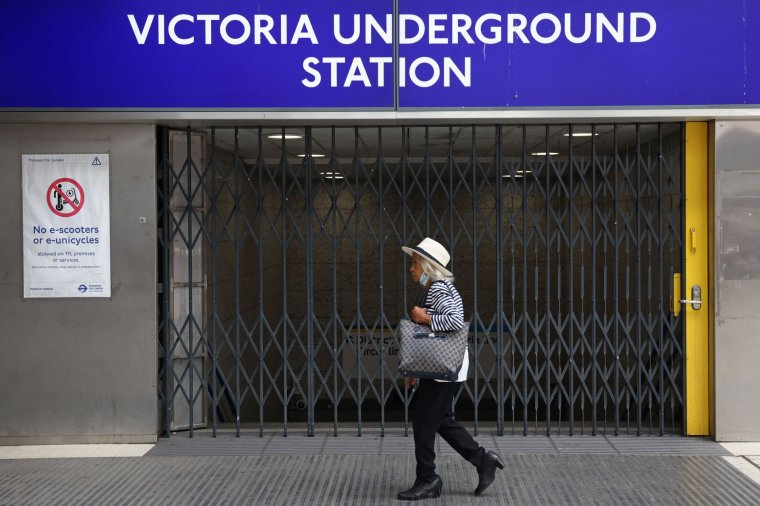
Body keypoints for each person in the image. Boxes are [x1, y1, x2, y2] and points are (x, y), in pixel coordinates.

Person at [398, 237, 504, 501]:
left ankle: (428, 479)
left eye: (414, 264)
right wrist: (415, 369)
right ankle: (483, 460)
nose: (411, 269)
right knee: (441, 420)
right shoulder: (437, 287)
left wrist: (425, 317)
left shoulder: (439, 289)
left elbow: (456, 321)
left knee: (424, 422)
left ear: (427, 267)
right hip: (443, 368)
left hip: (444, 370)